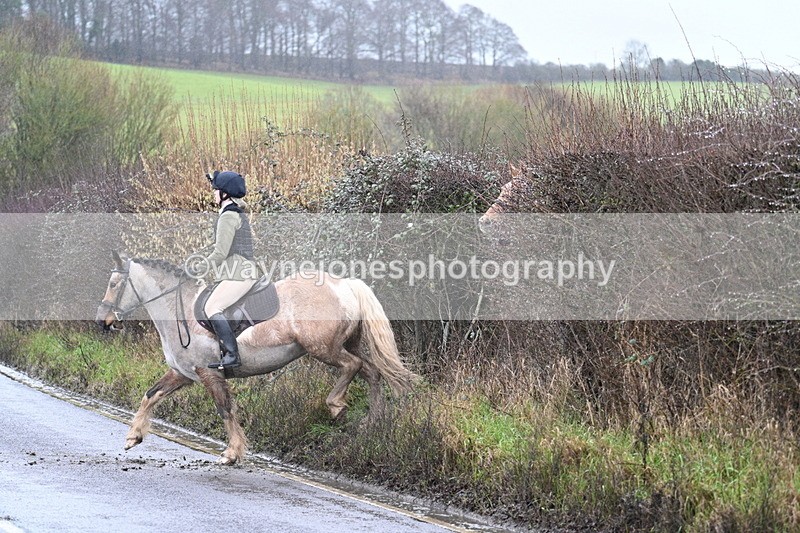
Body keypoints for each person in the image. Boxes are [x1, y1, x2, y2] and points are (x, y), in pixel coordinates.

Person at [200, 170, 258, 369]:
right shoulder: (234, 212)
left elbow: (220, 253)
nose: (213, 193)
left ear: (224, 193)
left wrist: (199, 268)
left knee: (211, 308)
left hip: (239, 273)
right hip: (240, 270)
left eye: (215, 190)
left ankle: (233, 355)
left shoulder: (228, 216)